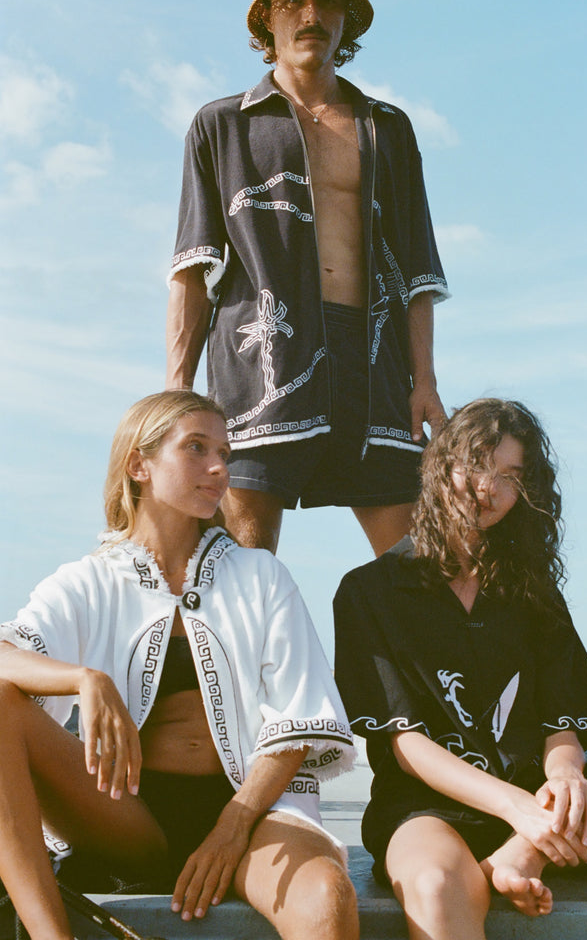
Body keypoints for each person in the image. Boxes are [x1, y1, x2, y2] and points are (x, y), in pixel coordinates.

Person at [0, 391, 359, 940]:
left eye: (224, 452)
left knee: (325, 899)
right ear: (138, 465)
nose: (219, 467)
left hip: (254, 811)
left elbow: (300, 716)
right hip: (126, 815)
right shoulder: (89, 582)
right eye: (196, 448)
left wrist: (233, 825)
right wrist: (82, 677)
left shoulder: (260, 576)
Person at [333, 398, 587, 940]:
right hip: (429, 809)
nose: (487, 489)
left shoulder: (532, 589)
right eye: (475, 466)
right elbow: (406, 745)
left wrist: (565, 778)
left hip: (541, 800)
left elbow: (559, 721)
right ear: (440, 466)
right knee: (433, 886)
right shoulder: (369, 590)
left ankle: (523, 855)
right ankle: (534, 842)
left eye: (509, 476)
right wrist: (517, 806)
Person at [166, 0, 449, 556]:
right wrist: (177, 395)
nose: (310, 14)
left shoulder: (388, 128)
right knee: (244, 558)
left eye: (326, 1)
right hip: (259, 359)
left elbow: (420, 269)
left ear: (347, 19)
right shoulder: (222, 125)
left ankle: (395, 658)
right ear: (267, 17)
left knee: (415, 564)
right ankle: (246, 658)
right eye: (293, 0)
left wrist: (424, 378)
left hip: (375, 363)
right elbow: (191, 268)